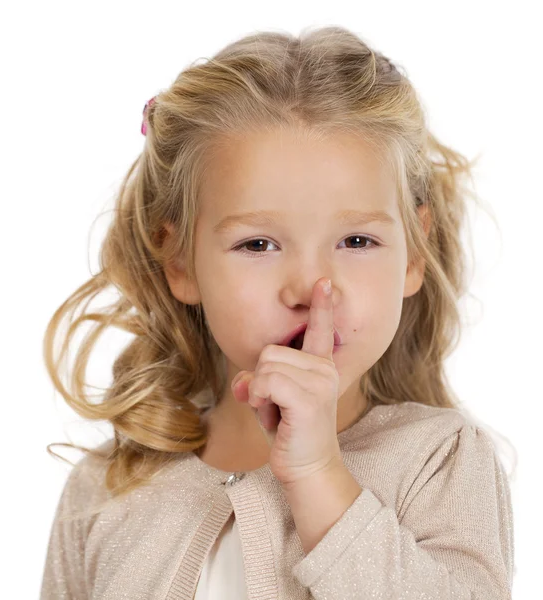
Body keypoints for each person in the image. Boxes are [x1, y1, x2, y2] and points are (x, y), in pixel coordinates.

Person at [40, 25, 515, 600]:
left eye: (357, 241)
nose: (312, 288)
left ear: (414, 251)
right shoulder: (107, 489)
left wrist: (319, 474)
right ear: (181, 262)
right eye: (258, 245)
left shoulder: (439, 461)